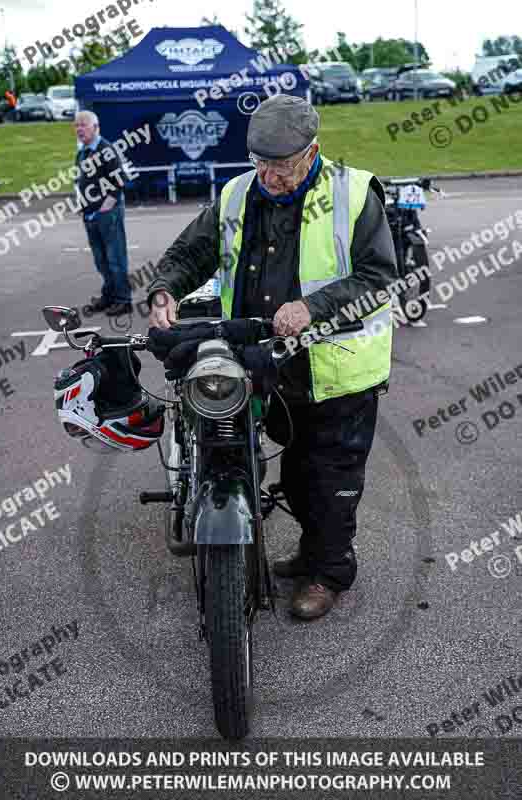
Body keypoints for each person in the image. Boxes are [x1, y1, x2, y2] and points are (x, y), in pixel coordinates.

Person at [146, 94, 398, 621]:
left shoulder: (352, 194)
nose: (269, 176)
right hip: (266, 365)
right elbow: (194, 250)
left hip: (336, 368)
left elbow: (378, 277)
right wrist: (167, 287)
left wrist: (313, 307)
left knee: (330, 480)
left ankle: (328, 574)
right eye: (260, 163)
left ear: (313, 152)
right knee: (297, 473)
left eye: (281, 166)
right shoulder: (240, 194)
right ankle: (309, 553)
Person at [74, 110, 132, 316]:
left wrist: (105, 207)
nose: (79, 129)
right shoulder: (82, 153)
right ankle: (109, 295)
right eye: (76, 125)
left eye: (83, 125)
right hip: (90, 215)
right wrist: (83, 205)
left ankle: (124, 300)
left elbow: (120, 181)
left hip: (108, 214)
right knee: (101, 260)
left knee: (115, 257)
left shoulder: (106, 149)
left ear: (95, 127)